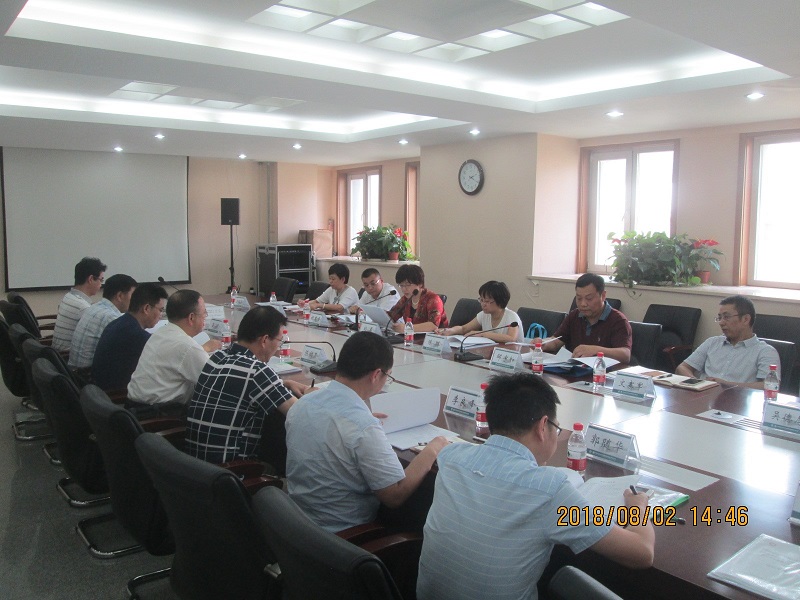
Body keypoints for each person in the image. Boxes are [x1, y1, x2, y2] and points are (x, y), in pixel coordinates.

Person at [417, 372, 654, 600]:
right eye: (556, 429)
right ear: (542, 426)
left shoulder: (452, 457)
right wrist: (638, 507)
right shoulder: (549, 489)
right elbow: (641, 552)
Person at [286, 331, 448, 532]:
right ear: (376, 375)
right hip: (341, 535)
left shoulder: (303, 404)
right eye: (388, 376)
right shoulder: (362, 426)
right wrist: (433, 448)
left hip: (296, 522)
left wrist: (363, 420)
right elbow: (395, 495)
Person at [185, 306, 313, 468]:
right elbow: (301, 415)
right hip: (231, 471)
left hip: (194, 467)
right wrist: (314, 396)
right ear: (264, 340)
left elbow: (240, 381)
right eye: (279, 341)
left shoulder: (216, 357)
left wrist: (284, 383)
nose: (278, 348)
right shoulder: (257, 371)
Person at [127, 289, 222, 414]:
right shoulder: (187, 347)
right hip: (158, 416)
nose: (206, 317)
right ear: (191, 317)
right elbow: (216, 384)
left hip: (134, 409)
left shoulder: (160, 333)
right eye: (204, 313)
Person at [677, 295, 780, 388]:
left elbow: (768, 386)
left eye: (726, 317)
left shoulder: (765, 351)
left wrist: (727, 385)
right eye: (719, 317)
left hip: (739, 400)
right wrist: (698, 384)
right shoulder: (712, 342)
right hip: (703, 396)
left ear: (745, 319)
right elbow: (682, 367)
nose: (721, 323)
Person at [91, 283, 168, 391]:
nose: (161, 315)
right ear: (146, 308)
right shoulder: (138, 336)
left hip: (100, 391)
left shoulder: (117, 322)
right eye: (161, 310)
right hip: (117, 395)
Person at [541, 273, 631, 363]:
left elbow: (625, 355)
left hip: (601, 370)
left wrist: (596, 350)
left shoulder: (618, 320)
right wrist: (543, 343)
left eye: (589, 298)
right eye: (579, 298)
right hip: (573, 369)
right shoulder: (574, 316)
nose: (583, 304)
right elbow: (556, 341)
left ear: (603, 296)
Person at [68, 274, 137, 370]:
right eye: (133, 296)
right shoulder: (112, 318)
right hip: (87, 374)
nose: (135, 300)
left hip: (73, 371)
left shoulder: (95, 307)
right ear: (120, 296)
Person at [437, 280, 523, 343]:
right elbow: (464, 328)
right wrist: (450, 330)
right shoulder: (484, 315)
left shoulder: (511, 316)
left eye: (487, 301)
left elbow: (511, 338)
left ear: (499, 301)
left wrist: (483, 334)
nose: (483, 304)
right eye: (481, 300)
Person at [52, 257, 106, 352]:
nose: (101, 284)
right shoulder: (83, 308)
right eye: (101, 280)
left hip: (57, 356)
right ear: (90, 279)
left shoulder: (69, 296)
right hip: (67, 357)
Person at [388, 264, 449, 333]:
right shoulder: (405, 300)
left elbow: (433, 325)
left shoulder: (433, 299)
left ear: (420, 284)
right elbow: (392, 315)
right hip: (413, 337)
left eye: (407, 285)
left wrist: (407, 328)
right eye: (401, 285)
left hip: (436, 337)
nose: (404, 289)